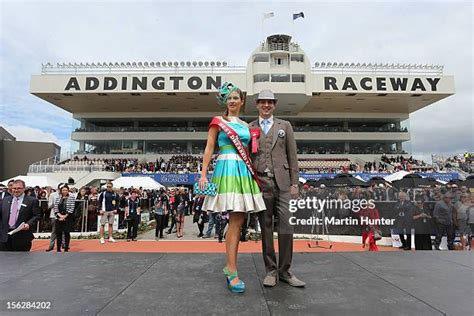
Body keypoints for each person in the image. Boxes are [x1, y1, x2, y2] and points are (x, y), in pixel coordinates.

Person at [199, 82, 266, 293]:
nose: (232, 101)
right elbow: (209, 148)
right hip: (225, 167)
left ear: (242, 101)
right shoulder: (218, 122)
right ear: (225, 101)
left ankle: (230, 268)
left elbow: (251, 152)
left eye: (236, 97)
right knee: (233, 217)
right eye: (229, 97)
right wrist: (203, 174)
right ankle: (232, 269)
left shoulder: (247, 127)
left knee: (239, 219)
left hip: (242, 170)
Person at [248, 89, 305, 287]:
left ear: (275, 104)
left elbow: (293, 156)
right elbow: (248, 158)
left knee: (287, 226)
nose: (266, 105)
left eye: (269, 102)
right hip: (260, 183)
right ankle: (270, 270)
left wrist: (295, 183)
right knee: (266, 227)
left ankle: (285, 271)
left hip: (283, 184)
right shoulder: (250, 127)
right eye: (262, 102)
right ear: (257, 104)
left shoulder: (285, 126)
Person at [0, 179, 41, 251]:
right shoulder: (5, 200)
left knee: (21, 261)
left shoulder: (32, 201)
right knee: (5, 261)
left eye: (19, 188)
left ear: (24, 188)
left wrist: (28, 224)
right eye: (14, 188)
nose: (16, 190)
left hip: (22, 237)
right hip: (5, 238)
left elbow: (37, 215)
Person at [53, 185, 76, 252]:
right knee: (58, 233)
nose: (64, 191)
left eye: (66, 190)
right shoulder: (57, 198)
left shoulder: (71, 198)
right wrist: (59, 216)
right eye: (63, 190)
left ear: (68, 190)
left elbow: (72, 208)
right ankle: (58, 249)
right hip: (59, 218)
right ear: (61, 191)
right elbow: (55, 208)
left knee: (66, 233)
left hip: (68, 218)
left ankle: (66, 248)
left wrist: (65, 216)